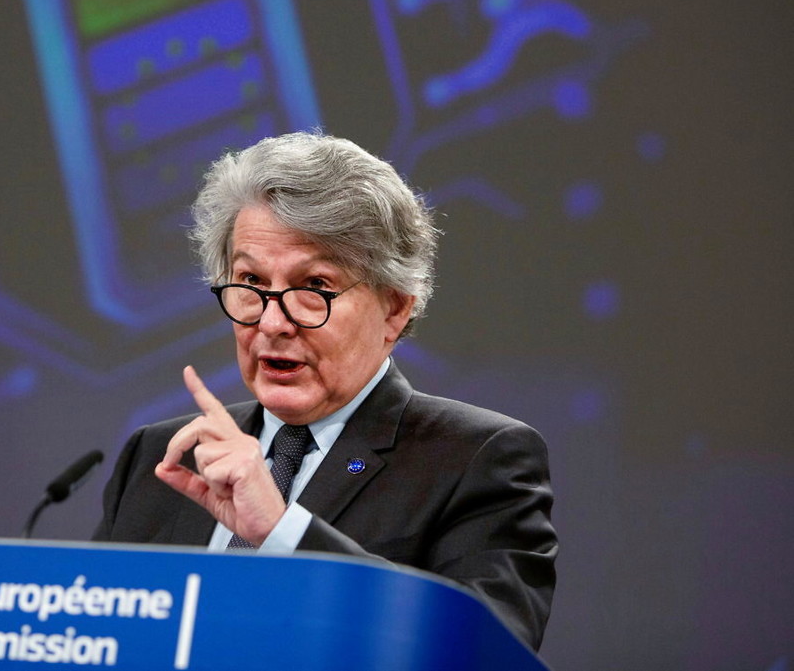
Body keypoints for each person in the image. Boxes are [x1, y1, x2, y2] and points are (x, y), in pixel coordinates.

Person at [92, 132, 557, 650]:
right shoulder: (162, 457)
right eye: (251, 281)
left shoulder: (477, 459)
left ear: (394, 308)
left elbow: (484, 653)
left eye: (314, 286)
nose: (272, 322)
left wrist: (282, 533)